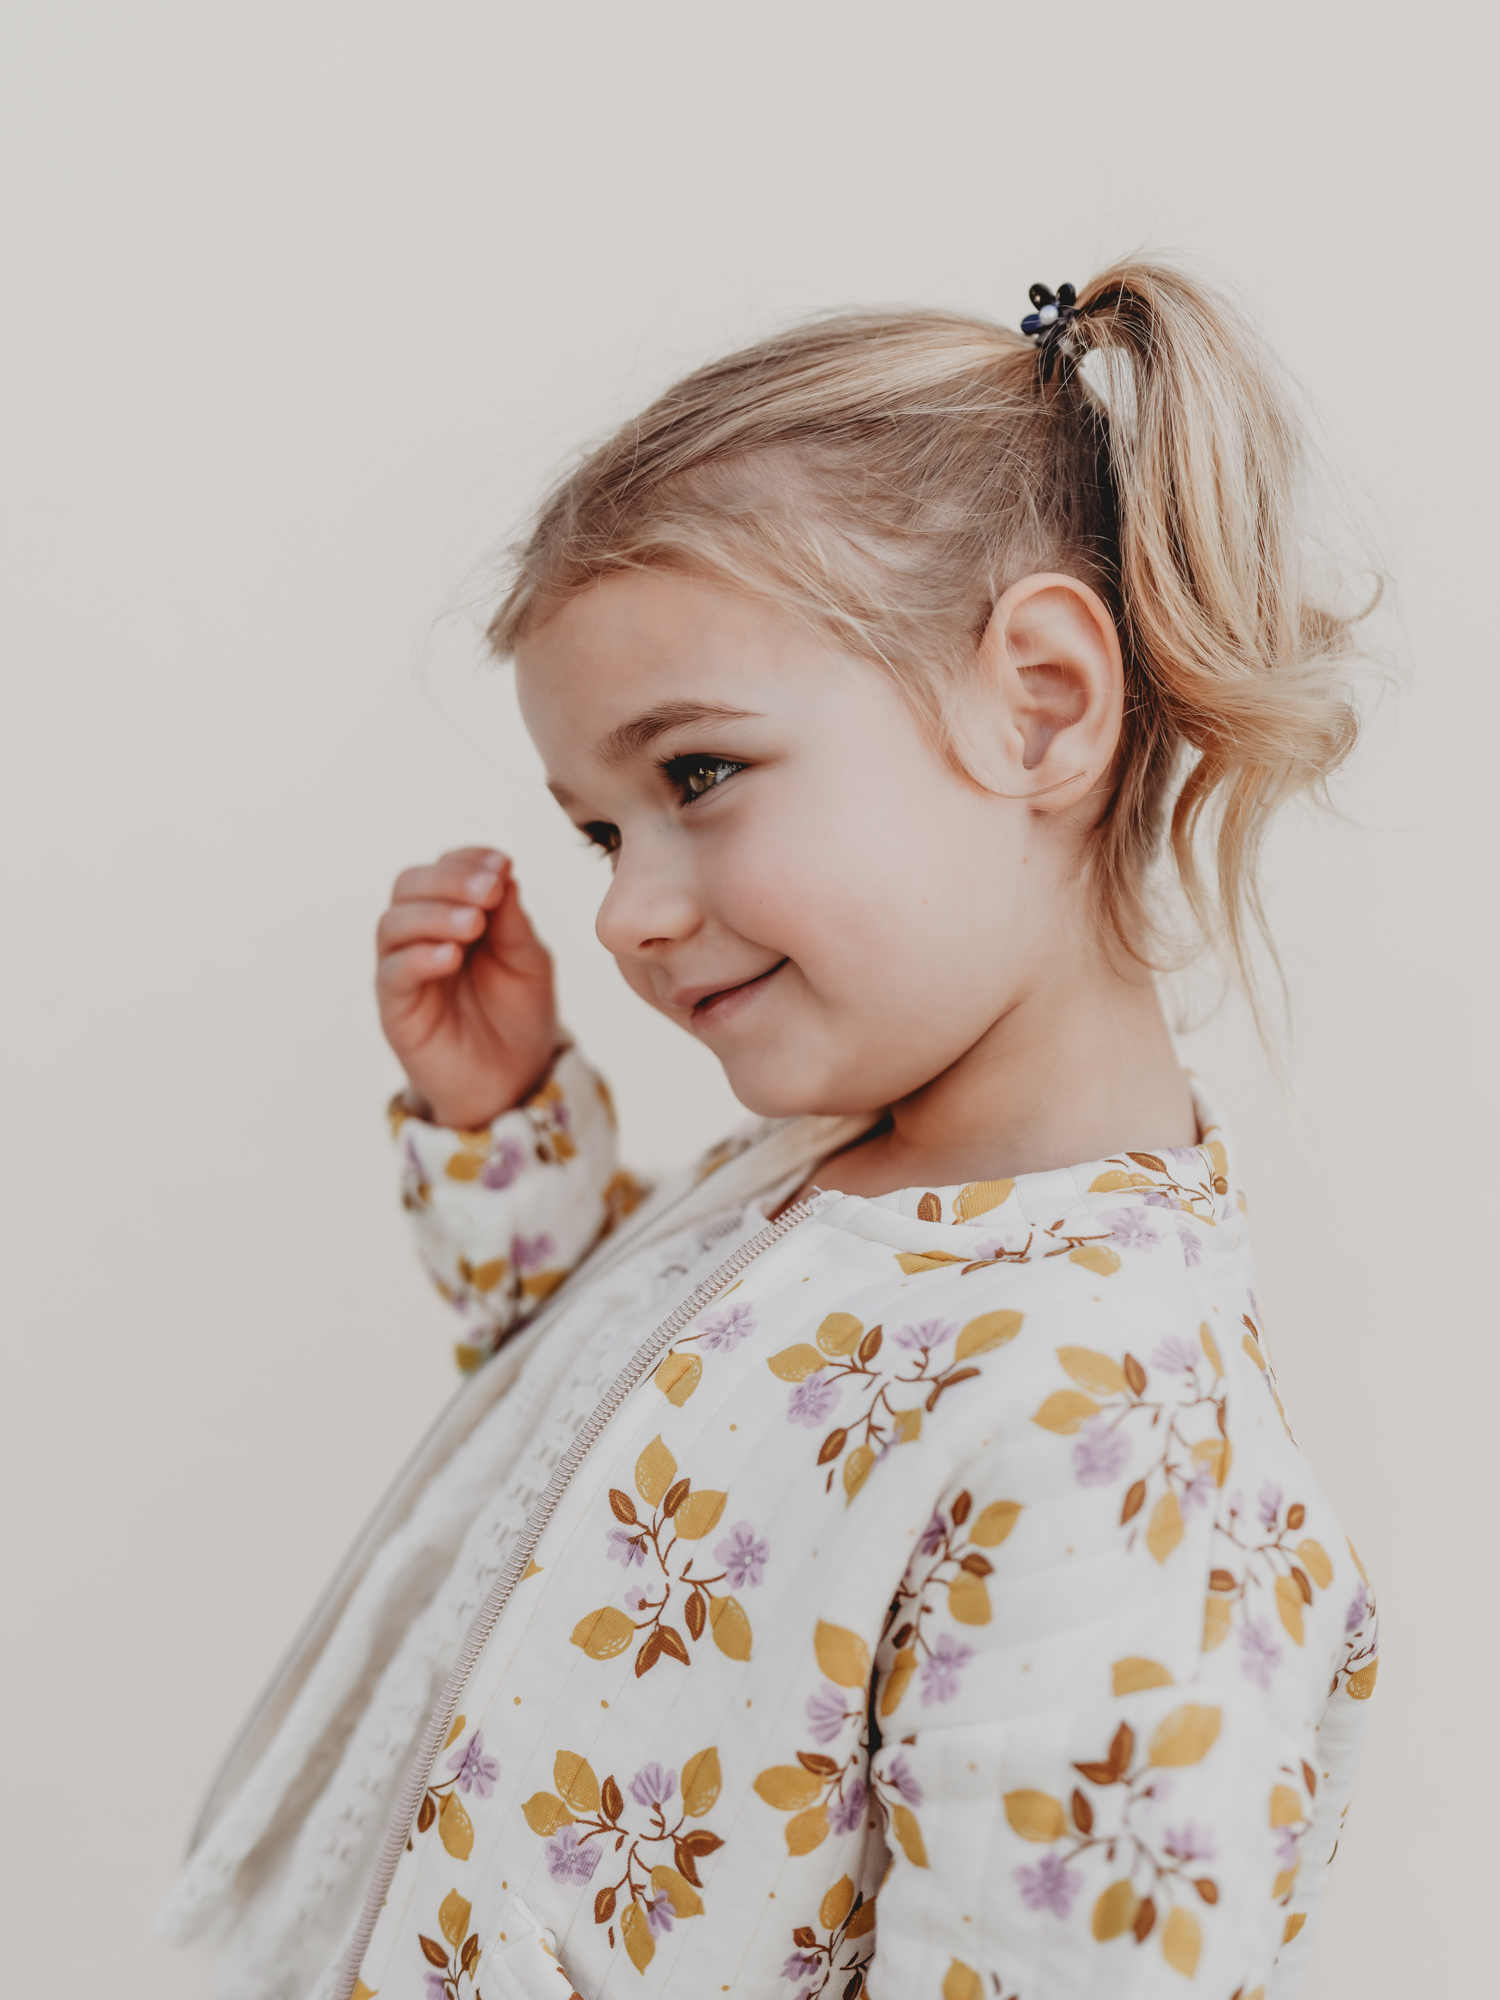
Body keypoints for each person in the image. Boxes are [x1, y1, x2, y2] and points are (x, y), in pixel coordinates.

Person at [159, 264, 1379, 2000]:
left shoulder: (1117, 1445)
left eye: (697, 776)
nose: (627, 914)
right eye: (599, 832)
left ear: (1039, 702)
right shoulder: (841, 1187)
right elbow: (606, 1419)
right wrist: (501, 1124)